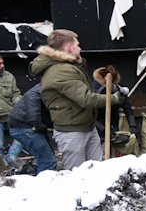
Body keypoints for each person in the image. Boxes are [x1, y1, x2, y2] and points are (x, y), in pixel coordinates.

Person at [28, 30, 127, 170]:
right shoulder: (60, 71)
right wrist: (114, 98)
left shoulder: (68, 66)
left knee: (96, 170)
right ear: (69, 47)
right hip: (72, 132)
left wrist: (78, 61)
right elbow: (86, 98)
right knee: (77, 175)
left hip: (86, 126)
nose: (80, 48)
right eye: (77, 45)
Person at [8, 83, 57, 174]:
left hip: (26, 126)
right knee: (47, 160)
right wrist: (37, 124)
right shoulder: (37, 92)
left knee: (47, 158)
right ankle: (45, 184)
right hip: (24, 127)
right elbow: (33, 109)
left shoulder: (46, 89)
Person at [93, 65, 139, 142]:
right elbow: (90, 115)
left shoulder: (116, 88)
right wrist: (103, 129)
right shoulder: (94, 89)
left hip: (113, 124)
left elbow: (127, 107)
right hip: (97, 126)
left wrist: (132, 126)